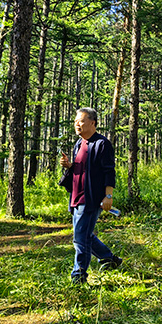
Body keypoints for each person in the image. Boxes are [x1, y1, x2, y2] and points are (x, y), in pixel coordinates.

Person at [59, 107, 122, 284]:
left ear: (92, 123)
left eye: (81, 121)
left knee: (80, 238)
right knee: (85, 234)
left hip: (92, 198)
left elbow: (109, 172)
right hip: (76, 196)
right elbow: (81, 170)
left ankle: (78, 277)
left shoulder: (102, 144)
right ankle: (109, 259)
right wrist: (69, 166)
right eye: (75, 122)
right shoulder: (78, 144)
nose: (77, 124)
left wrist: (108, 197)